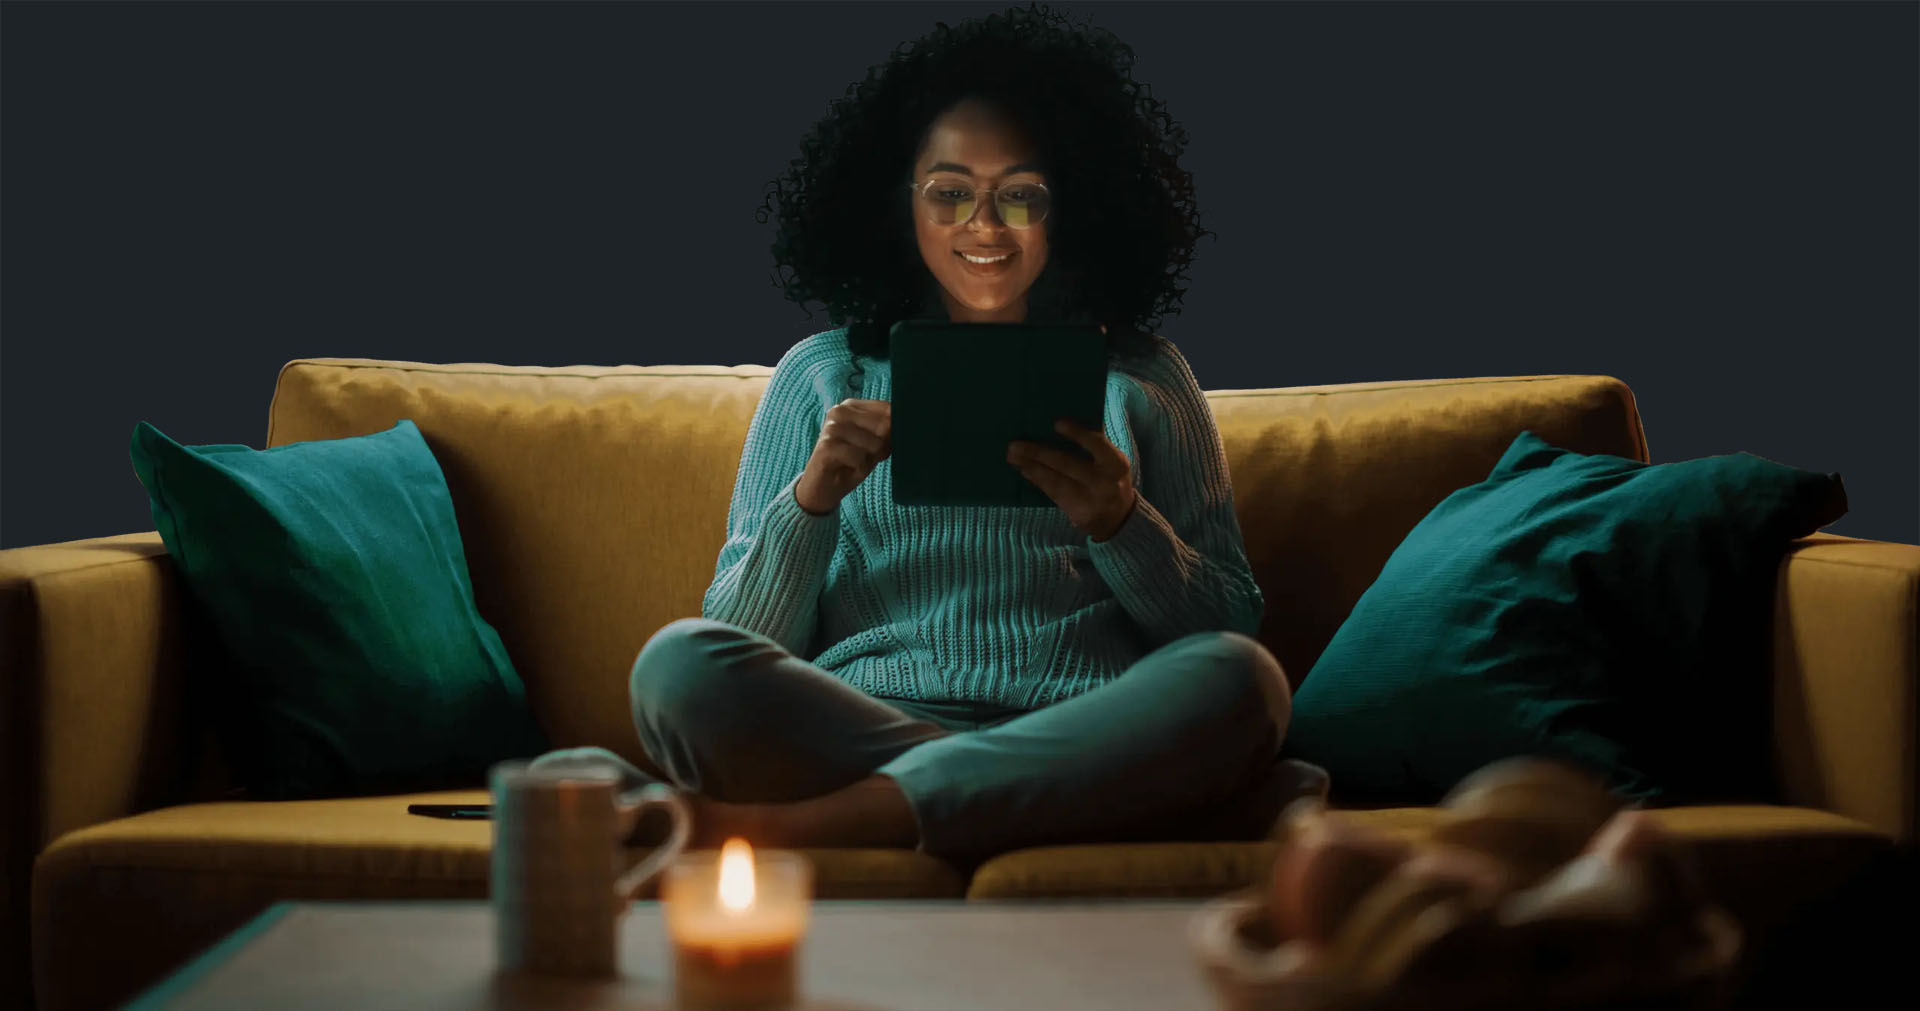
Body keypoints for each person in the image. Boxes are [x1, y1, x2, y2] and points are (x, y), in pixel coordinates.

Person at [533, 2, 1327, 860]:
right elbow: (747, 637)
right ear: (900, 204)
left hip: (1081, 717)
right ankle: (1089, 798)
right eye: (950, 192)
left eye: (1020, 195)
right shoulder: (821, 372)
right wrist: (813, 499)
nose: (984, 225)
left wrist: (1124, 524)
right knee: (676, 665)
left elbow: (1227, 625)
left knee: (1242, 683)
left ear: (1071, 207)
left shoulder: (1146, 376)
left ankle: (787, 830)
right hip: (880, 728)